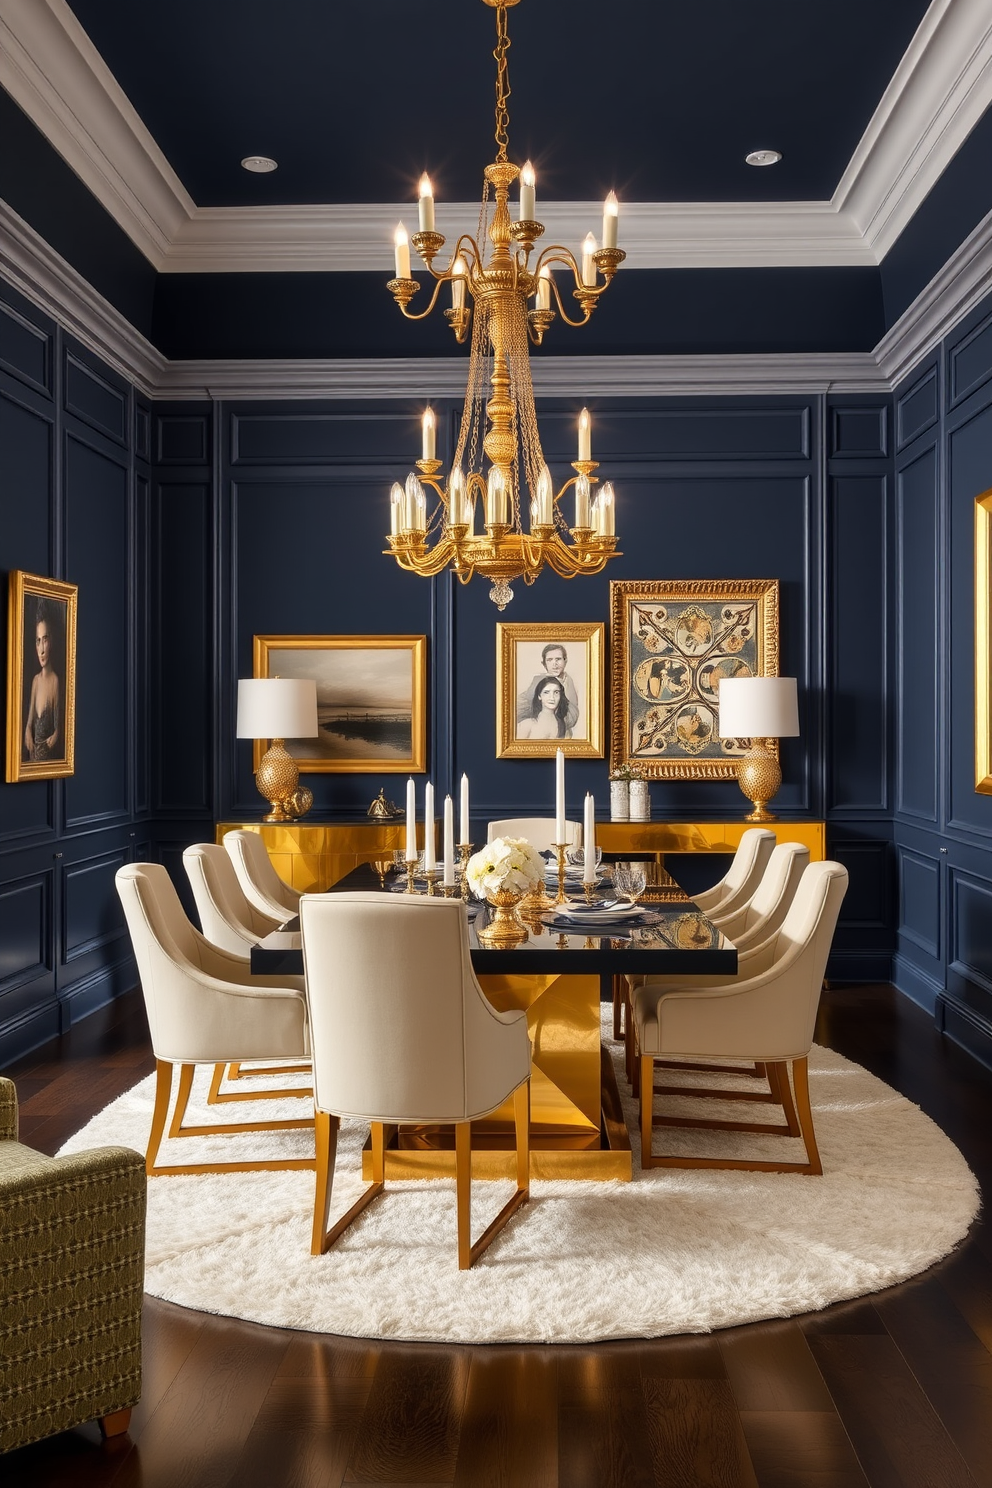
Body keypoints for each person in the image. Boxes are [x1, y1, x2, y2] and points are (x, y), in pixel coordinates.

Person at [23, 599, 61, 762]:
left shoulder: (55, 681)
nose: (42, 650)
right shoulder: (35, 681)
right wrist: (27, 732)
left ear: (51, 641)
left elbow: (58, 727)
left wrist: (56, 735)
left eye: (45, 639)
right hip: (32, 760)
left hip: (47, 760)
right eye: (38, 641)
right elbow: (29, 722)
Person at [517, 642, 579, 733]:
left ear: (565, 661)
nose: (555, 664)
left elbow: (573, 716)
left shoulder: (568, 681)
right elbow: (522, 708)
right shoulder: (538, 681)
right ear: (544, 664)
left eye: (558, 659)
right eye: (549, 660)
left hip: (562, 730)